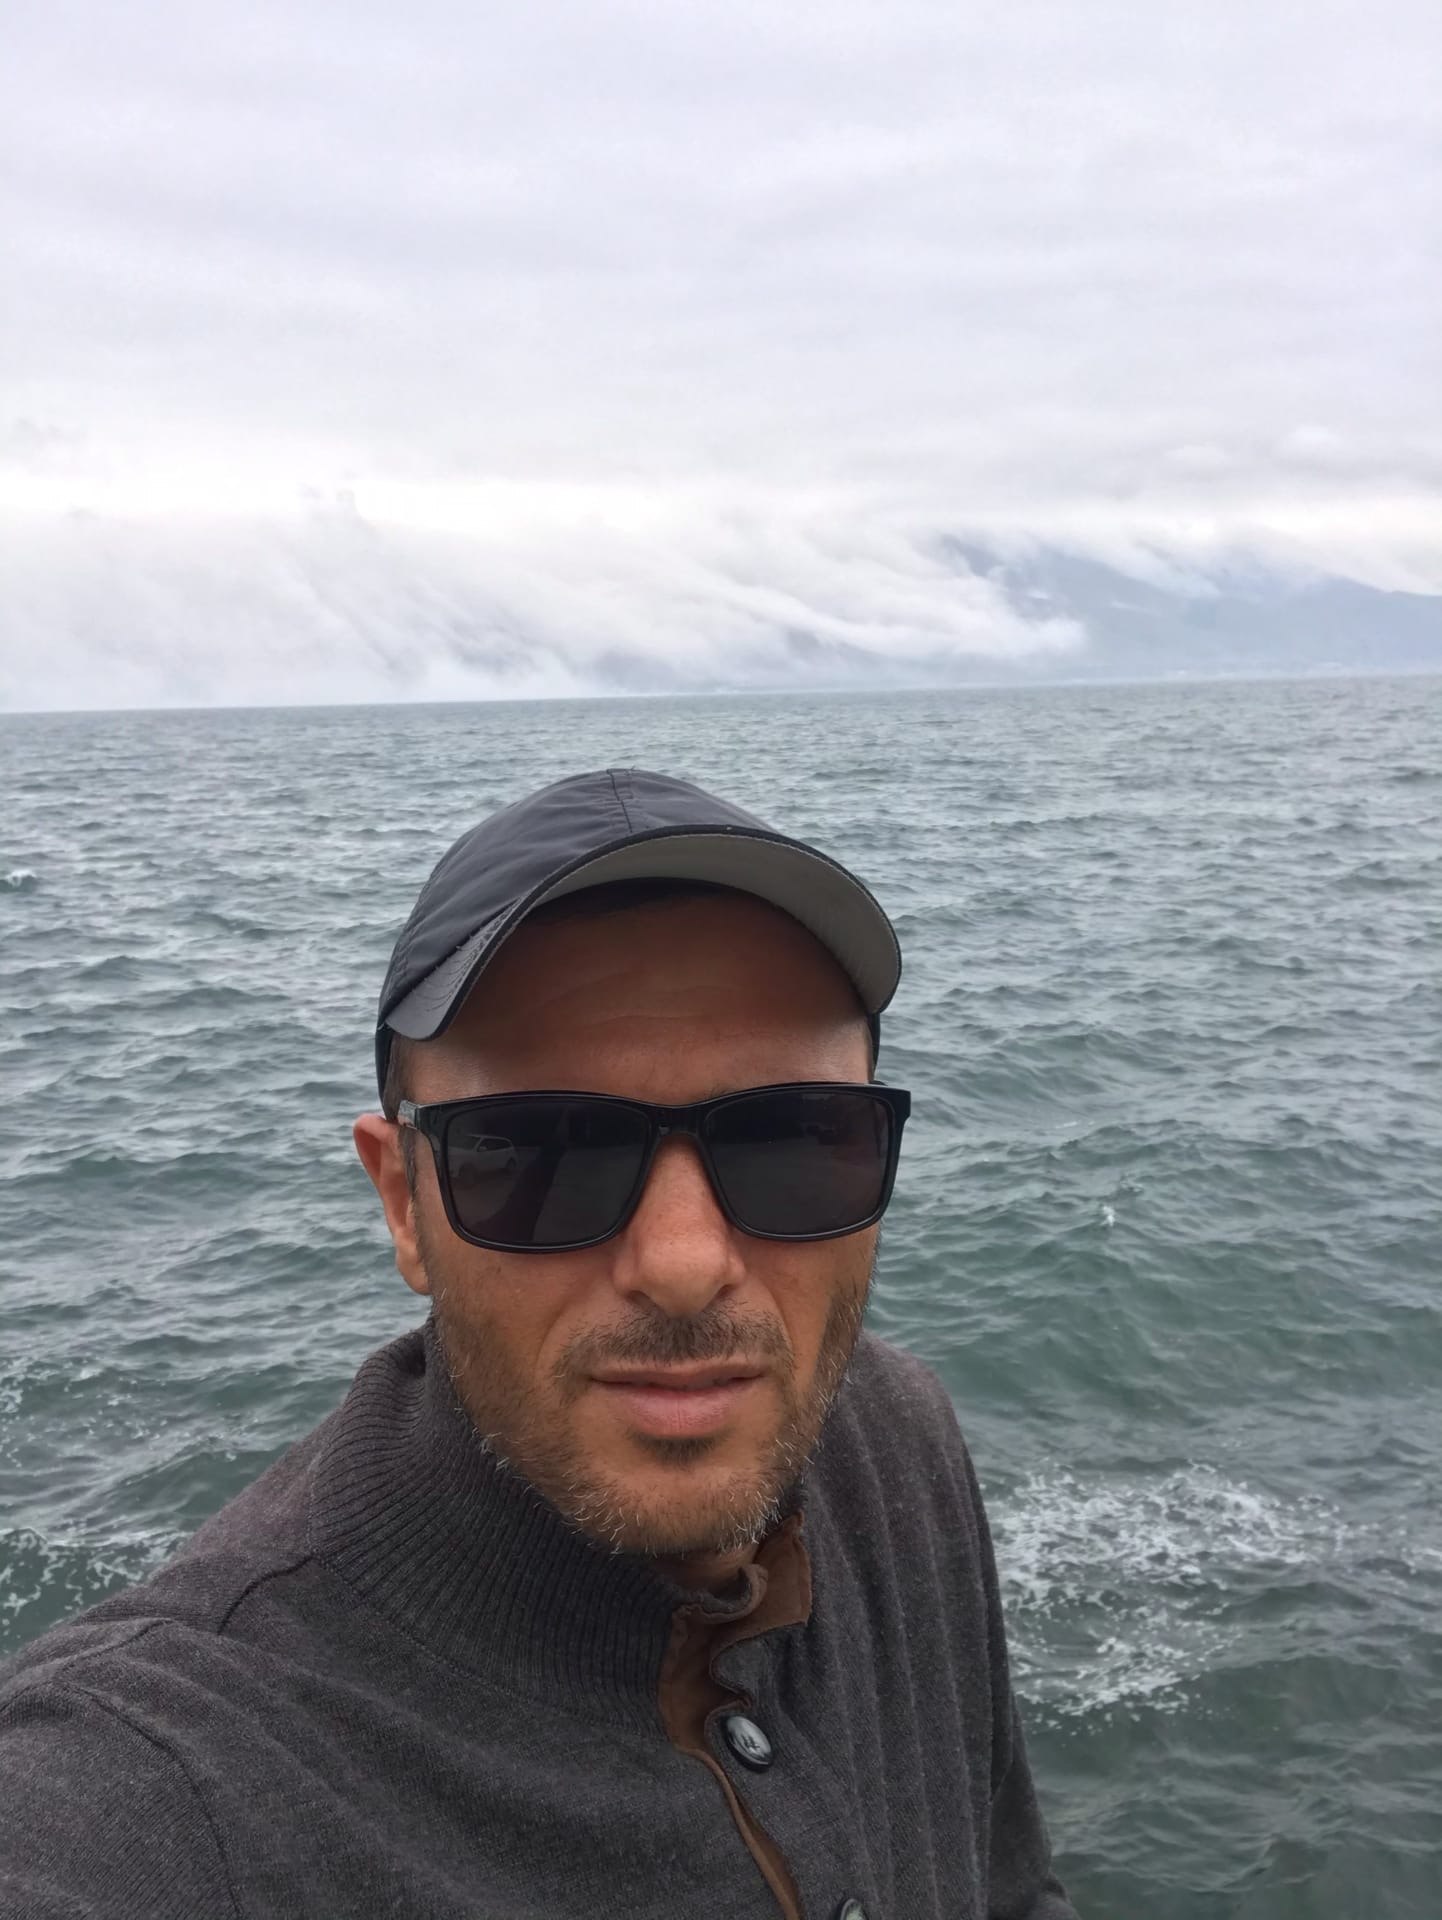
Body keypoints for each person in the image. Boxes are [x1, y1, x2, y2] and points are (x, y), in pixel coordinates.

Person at [0, 767, 1078, 1919]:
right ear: (404, 1204)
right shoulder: (156, 1785)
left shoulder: (894, 1437)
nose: (681, 1263)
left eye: (794, 1138)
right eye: (543, 1151)